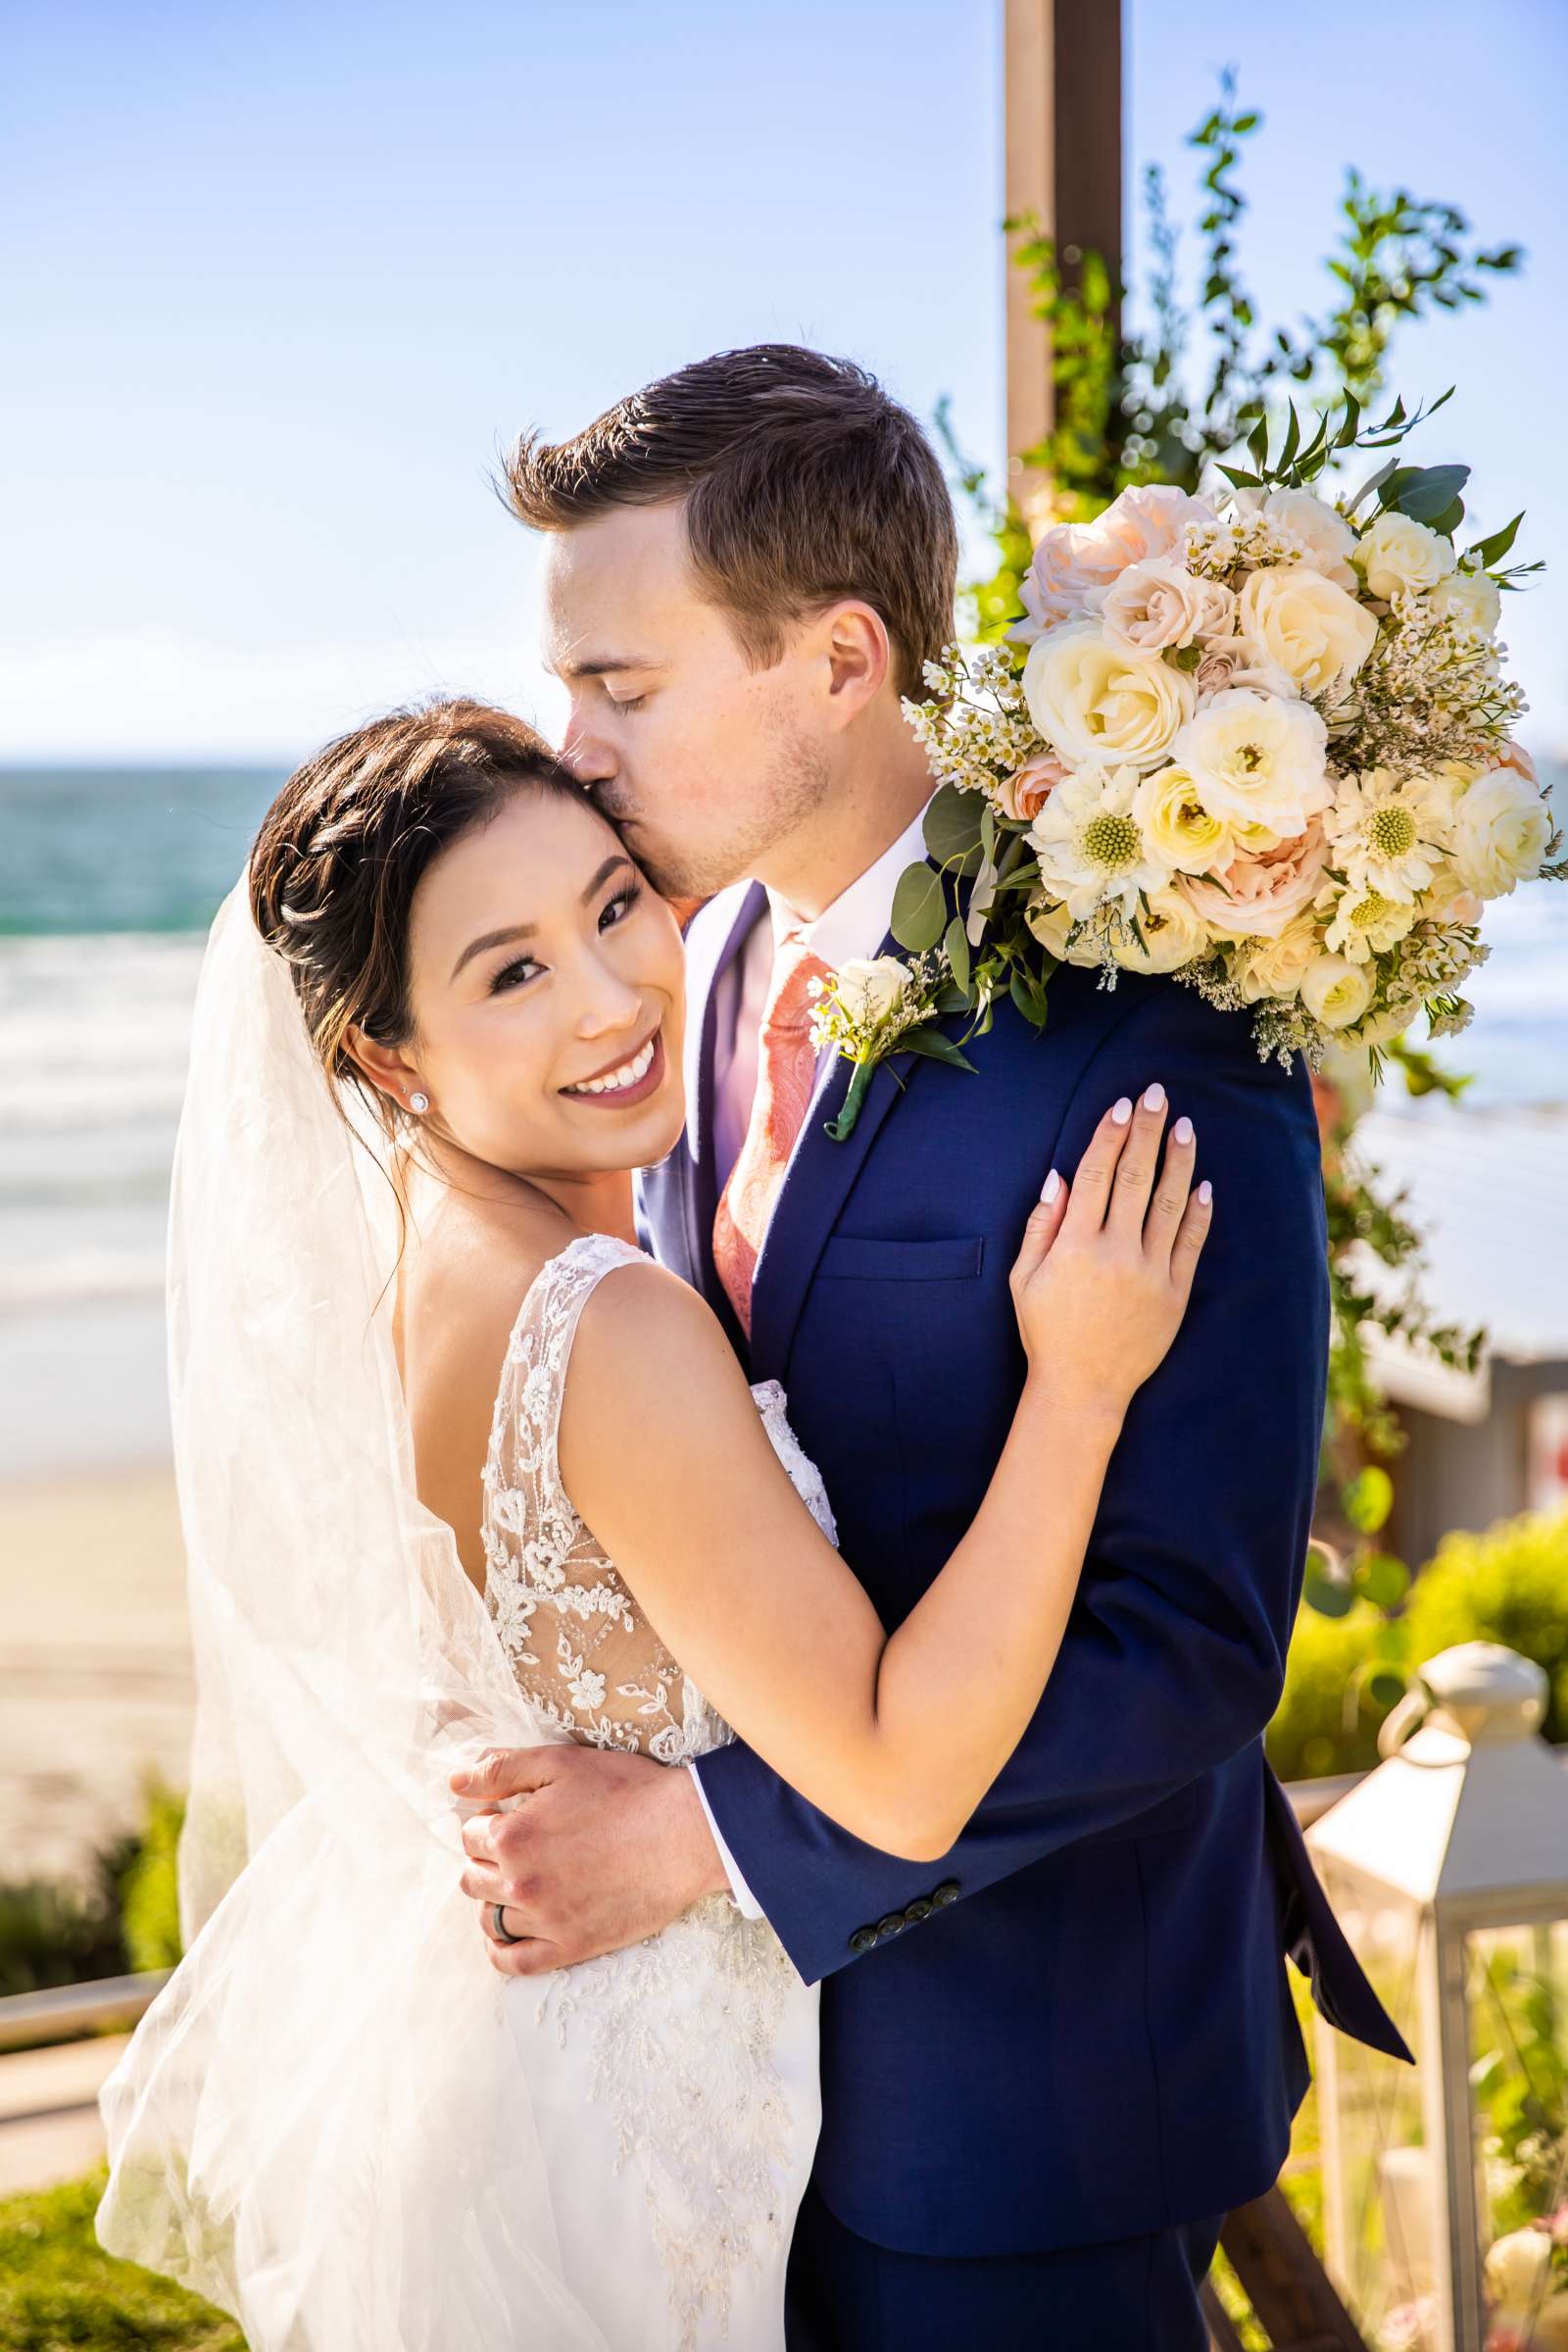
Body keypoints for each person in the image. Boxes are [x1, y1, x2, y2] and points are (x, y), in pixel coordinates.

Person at [455, 345, 1410, 2349]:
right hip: (726, 2108)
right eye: (564, 688)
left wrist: (706, 1845)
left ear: (836, 659)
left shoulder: (1156, 1036)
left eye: (620, 687)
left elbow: (1185, 1646)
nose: (572, 747)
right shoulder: (689, 969)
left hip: (1025, 2114)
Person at [96, 698, 1211, 2350]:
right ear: (385, 1055)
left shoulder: (405, 1271)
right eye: (511, 971)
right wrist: (1084, 1384)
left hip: (517, 2097)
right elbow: (903, 1776)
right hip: (627, 2142)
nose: (616, 996)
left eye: (614, 906)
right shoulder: (604, 1325)